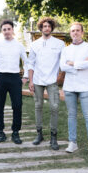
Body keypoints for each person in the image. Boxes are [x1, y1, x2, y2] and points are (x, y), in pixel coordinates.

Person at [60, 22, 88, 159]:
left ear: (82, 32)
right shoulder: (66, 50)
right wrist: (79, 64)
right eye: (72, 31)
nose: (75, 33)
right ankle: (73, 142)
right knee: (71, 115)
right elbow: (63, 67)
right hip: (69, 87)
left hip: (85, 87)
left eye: (77, 30)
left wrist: (72, 63)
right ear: (70, 33)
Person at [0, 20, 28, 144]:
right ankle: (0, 131)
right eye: (4, 29)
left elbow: (26, 62)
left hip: (15, 78)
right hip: (0, 77)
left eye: (8, 29)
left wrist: (26, 76)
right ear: (2, 31)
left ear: (12, 30)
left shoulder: (19, 45)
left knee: (17, 105)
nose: (6, 31)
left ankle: (15, 132)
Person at [28, 17, 65, 150]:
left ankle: (53, 137)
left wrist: (60, 77)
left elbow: (64, 62)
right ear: (41, 28)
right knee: (38, 106)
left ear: (52, 28)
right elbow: (30, 63)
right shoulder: (34, 44)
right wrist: (31, 80)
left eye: (49, 26)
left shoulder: (59, 44)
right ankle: (39, 134)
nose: (47, 28)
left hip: (52, 81)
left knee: (54, 107)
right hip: (37, 80)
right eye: (44, 26)